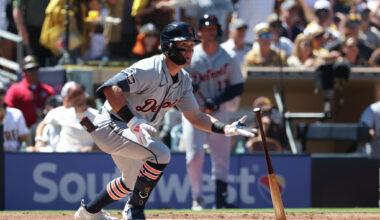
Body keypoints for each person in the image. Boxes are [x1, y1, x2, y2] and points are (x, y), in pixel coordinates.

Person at [74, 21, 255, 220]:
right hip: (111, 124)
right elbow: (110, 89)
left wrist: (226, 128)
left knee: (131, 182)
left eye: (191, 47)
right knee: (161, 154)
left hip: (131, 131)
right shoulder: (149, 68)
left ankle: (89, 212)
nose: (189, 52)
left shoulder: (184, 80)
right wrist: (132, 121)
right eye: (183, 46)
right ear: (168, 47)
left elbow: (195, 116)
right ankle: (134, 209)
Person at [182, 14, 245, 210]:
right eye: (207, 28)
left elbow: (237, 86)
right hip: (194, 112)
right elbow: (176, 79)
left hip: (219, 111)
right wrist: (187, 84)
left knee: (222, 157)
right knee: (194, 155)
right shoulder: (190, 55)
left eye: (214, 28)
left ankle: (221, 201)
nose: (211, 31)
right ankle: (197, 199)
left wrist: (217, 100)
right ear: (199, 32)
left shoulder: (228, 55)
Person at [35, 82, 97, 152]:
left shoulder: (96, 115)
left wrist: (92, 148)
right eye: (73, 95)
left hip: (89, 156)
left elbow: (104, 138)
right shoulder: (61, 112)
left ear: (84, 94)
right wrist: (39, 140)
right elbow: (42, 124)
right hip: (64, 155)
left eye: (79, 93)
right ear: (69, 99)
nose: (78, 97)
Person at [4, 55, 55, 128]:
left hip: (45, 131)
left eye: (35, 69)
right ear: (23, 72)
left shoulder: (48, 90)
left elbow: (57, 112)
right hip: (23, 133)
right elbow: (8, 111)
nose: (33, 72)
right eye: (29, 70)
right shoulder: (15, 89)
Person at [12, 0, 51, 66]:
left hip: (49, 32)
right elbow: (17, 9)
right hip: (31, 32)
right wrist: (21, 30)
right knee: (33, 63)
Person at [0, 81, 32, 152]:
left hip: (13, 156)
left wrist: (25, 148)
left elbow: (24, 141)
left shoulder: (16, 113)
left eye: (1, 93)